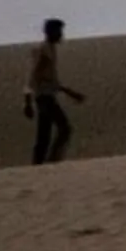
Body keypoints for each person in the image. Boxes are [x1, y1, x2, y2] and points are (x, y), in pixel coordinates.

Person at [25, 18, 82, 165]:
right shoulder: (43, 51)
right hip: (43, 98)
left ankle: (40, 163)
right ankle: (51, 161)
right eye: (58, 31)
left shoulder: (51, 49)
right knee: (63, 129)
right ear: (50, 32)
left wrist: (70, 92)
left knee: (45, 133)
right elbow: (33, 76)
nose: (61, 34)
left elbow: (51, 80)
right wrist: (27, 101)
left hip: (48, 96)